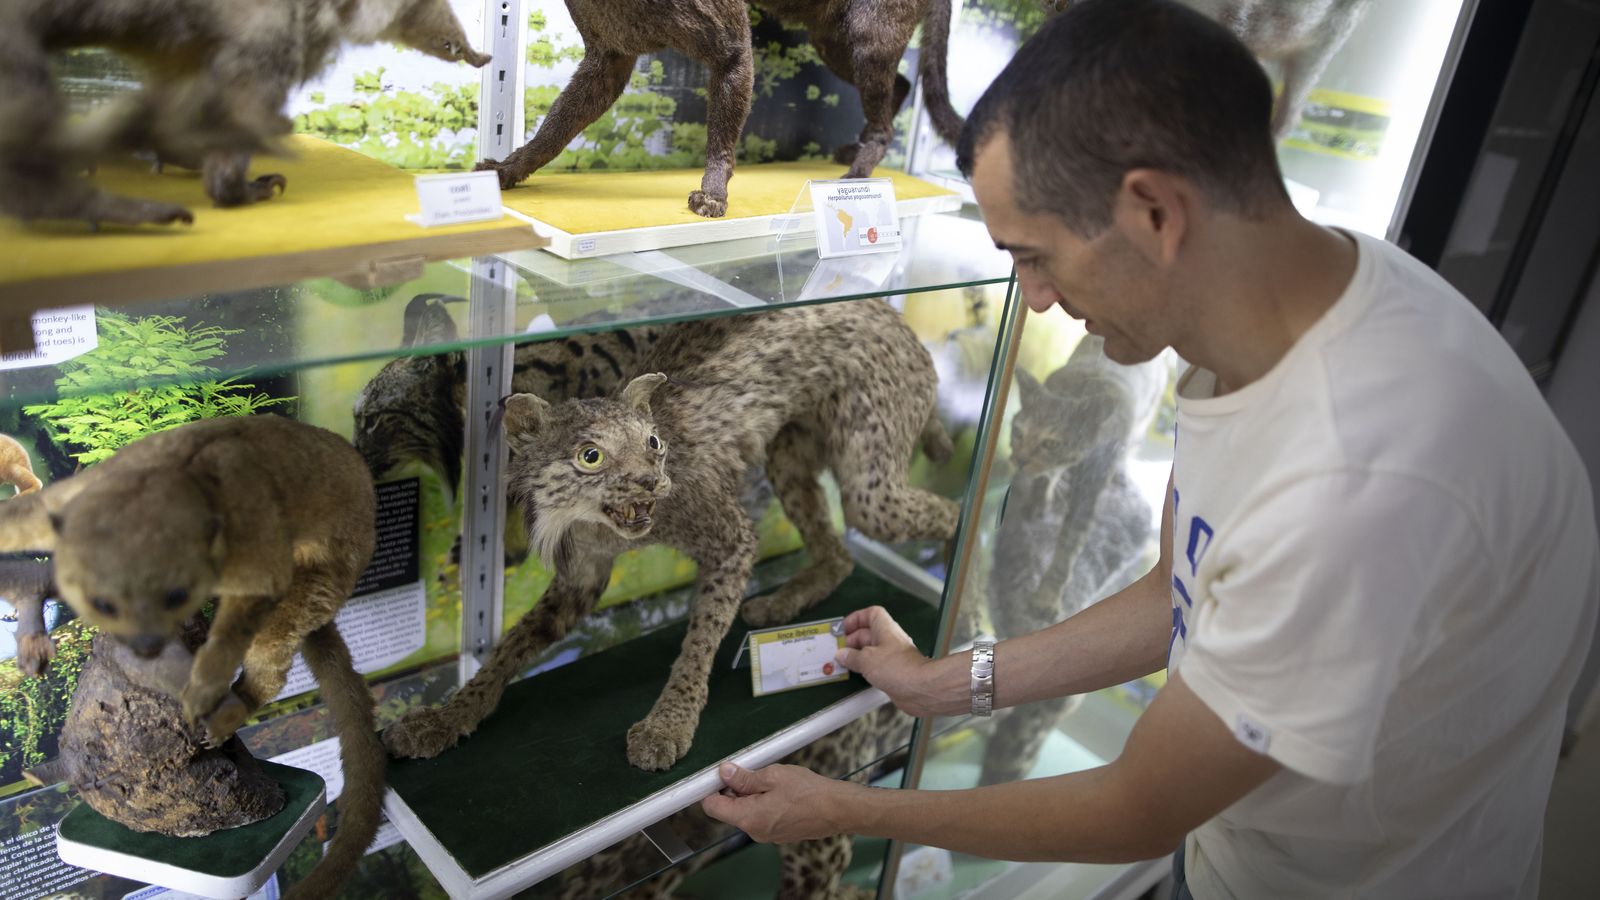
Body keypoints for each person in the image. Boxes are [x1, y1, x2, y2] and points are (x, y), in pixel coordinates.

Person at [700, 0, 1600, 896]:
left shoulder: (1359, 483)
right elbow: (1179, 588)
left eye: (1037, 255)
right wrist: (941, 684)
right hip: (1242, 852)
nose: (1035, 298)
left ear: (1155, 213)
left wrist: (843, 807)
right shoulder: (1269, 310)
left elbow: (1138, 808)